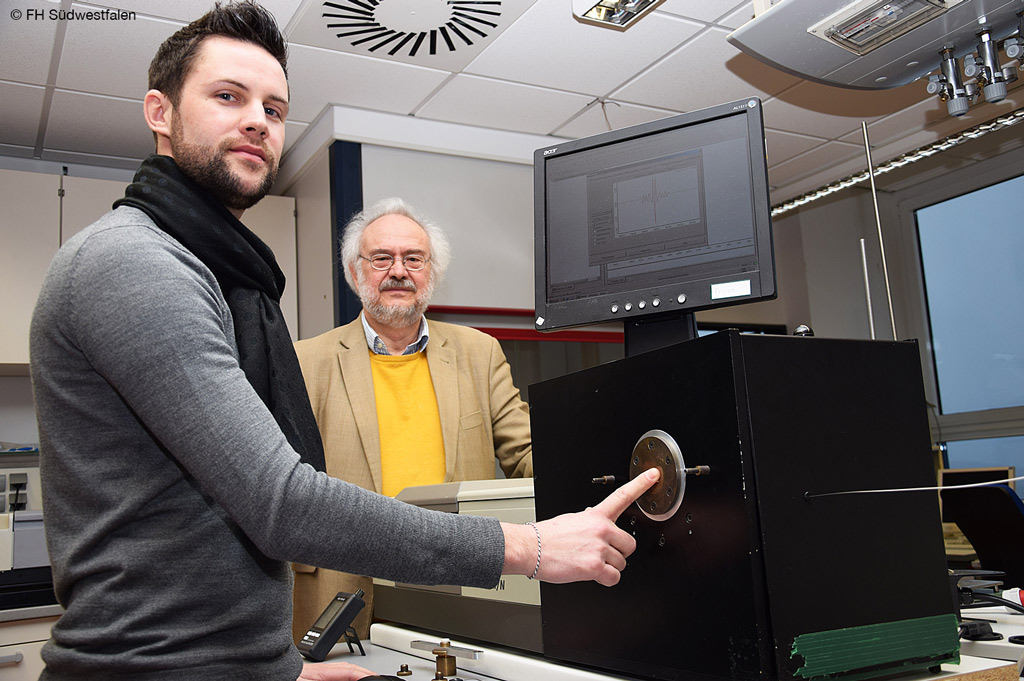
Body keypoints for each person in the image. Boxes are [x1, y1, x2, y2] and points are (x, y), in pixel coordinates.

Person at [28, 3, 660, 681]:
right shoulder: (135, 266)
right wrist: (529, 548)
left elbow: (203, 537)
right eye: (227, 96)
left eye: (274, 108)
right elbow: (281, 501)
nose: (257, 121)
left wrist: (283, 667)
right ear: (160, 111)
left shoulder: (219, 274)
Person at [291, 198, 531, 642]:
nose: (398, 271)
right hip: (340, 586)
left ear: (431, 273)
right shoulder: (306, 361)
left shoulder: (480, 353)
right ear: (354, 272)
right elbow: (278, 481)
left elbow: (528, 455)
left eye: (413, 259)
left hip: (455, 580)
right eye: (381, 258)